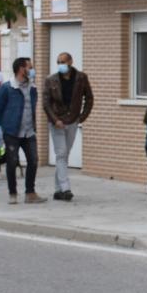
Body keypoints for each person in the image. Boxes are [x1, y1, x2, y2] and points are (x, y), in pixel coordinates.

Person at [0, 57, 44, 204]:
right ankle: (12, 193)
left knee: (33, 161)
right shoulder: (7, 88)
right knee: (12, 162)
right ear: (21, 69)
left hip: (29, 132)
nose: (32, 70)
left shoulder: (33, 88)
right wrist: (5, 125)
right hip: (12, 132)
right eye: (30, 67)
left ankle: (30, 192)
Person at [43, 52, 93, 202]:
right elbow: (46, 103)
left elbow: (89, 98)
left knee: (64, 155)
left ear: (71, 61)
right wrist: (54, 119)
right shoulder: (51, 80)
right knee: (61, 153)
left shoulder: (81, 78)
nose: (61, 64)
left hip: (73, 120)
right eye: (58, 62)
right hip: (57, 122)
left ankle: (57, 190)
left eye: (63, 61)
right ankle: (65, 188)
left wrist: (81, 117)